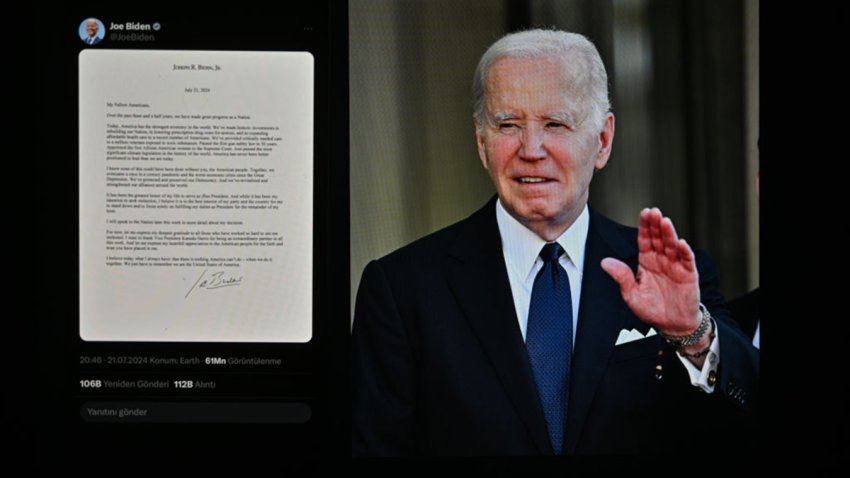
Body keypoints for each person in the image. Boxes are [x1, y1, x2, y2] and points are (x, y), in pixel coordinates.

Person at [352, 29, 758, 456]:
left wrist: (691, 334)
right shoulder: (403, 289)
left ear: (602, 140)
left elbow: (738, 431)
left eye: (555, 124)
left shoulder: (665, 273)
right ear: (481, 142)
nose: (531, 149)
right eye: (508, 124)